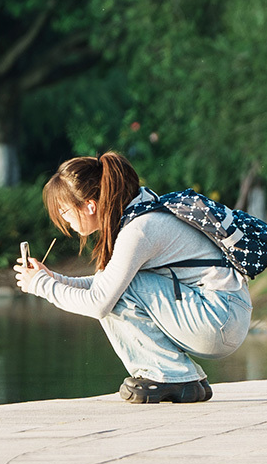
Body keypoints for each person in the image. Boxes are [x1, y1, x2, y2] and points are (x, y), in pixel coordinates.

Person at [13, 150, 245, 404]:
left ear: (89, 205)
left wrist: (41, 285)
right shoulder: (138, 213)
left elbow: (99, 302)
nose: (65, 221)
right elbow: (104, 287)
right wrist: (52, 278)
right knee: (115, 290)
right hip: (224, 315)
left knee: (114, 294)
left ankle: (172, 375)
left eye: (65, 211)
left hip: (219, 319)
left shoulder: (138, 230)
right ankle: (182, 378)